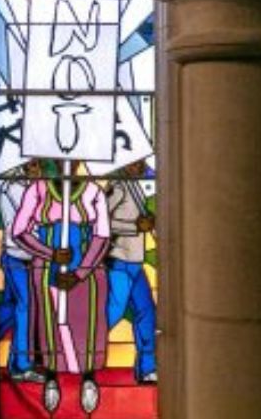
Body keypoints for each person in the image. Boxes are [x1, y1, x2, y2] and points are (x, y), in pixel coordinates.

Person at [12, 161, 112, 414]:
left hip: (86, 270)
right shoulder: (37, 190)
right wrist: (50, 254)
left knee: (86, 324)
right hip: (47, 269)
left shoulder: (93, 192)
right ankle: (51, 378)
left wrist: (81, 272)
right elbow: (19, 231)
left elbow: (102, 235)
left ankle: (88, 378)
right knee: (48, 324)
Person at [105, 161, 159, 384]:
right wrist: (135, 227)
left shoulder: (137, 187)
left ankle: (146, 369)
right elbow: (101, 221)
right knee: (111, 314)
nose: (141, 166)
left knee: (147, 313)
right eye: (136, 163)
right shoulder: (116, 186)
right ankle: (81, 357)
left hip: (135, 262)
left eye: (142, 163)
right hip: (118, 261)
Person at [0, 164, 45, 383]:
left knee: (12, 306)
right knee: (27, 306)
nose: (38, 169)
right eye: (33, 164)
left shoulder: (27, 186)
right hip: (17, 256)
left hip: (27, 256)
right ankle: (20, 366)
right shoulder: (14, 188)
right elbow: (27, 224)